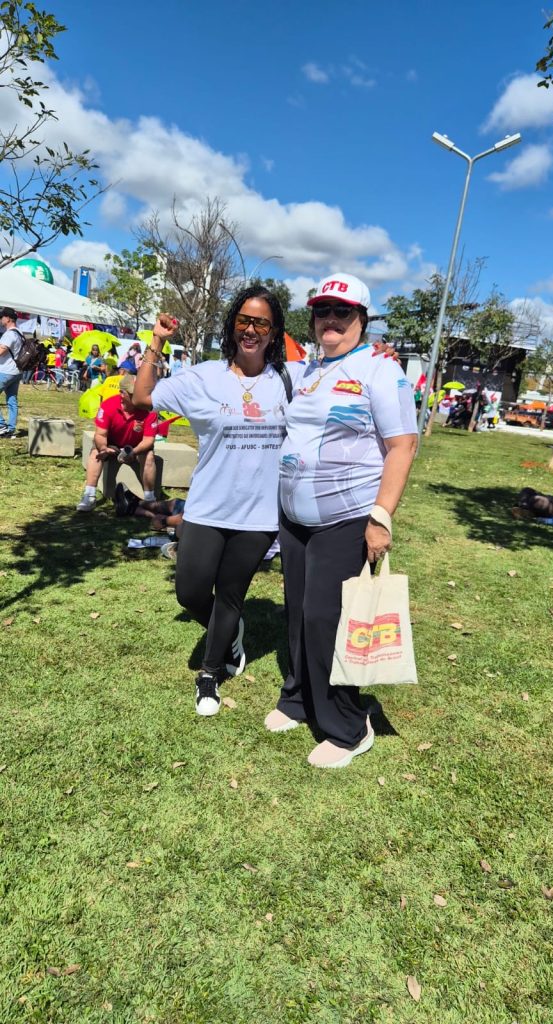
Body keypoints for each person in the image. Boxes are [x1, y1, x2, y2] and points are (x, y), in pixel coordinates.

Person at [265, 273, 418, 768]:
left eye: (342, 312)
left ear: (363, 319)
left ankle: (349, 726)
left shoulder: (380, 370)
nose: (330, 320)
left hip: (347, 517)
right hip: (295, 518)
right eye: (322, 311)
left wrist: (381, 517)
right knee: (297, 612)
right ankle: (298, 698)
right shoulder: (307, 369)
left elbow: (402, 446)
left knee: (326, 618)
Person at [132, 290, 304, 717]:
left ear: (274, 332)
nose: (251, 329)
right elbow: (141, 397)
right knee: (190, 592)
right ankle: (230, 633)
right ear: (232, 325)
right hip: (207, 507)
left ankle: (210, 674)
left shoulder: (291, 378)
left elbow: (339, 374)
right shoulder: (204, 377)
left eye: (261, 323)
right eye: (244, 320)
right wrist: (157, 341)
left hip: (260, 513)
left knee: (230, 594)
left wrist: (375, 358)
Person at [76, 374, 159, 512]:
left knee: (149, 455)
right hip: (112, 444)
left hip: (137, 447)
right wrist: (103, 448)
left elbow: (149, 441)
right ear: (122, 393)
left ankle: (150, 499)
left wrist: (134, 452)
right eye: (133, 393)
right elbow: (100, 434)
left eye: (140, 392)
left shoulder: (150, 410)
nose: (138, 396)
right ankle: (89, 495)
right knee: (96, 452)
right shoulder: (108, 405)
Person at [0, 306, 23, 438]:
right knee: (12, 400)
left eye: (2, 317)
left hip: (5, 371)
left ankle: (1, 426)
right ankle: (11, 428)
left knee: (12, 400)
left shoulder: (9, 334)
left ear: (8, 318)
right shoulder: (19, 333)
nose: (1, 319)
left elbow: (1, 352)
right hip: (17, 372)